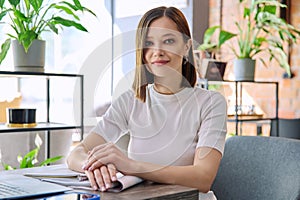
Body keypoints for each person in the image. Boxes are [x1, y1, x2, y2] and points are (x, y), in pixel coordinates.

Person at [67, 6, 227, 199]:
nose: (157, 51)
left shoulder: (210, 102)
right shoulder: (130, 101)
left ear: (186, 47)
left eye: (168, 41)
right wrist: (95, 166)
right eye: (149, 43)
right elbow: (76, 154)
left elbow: (202, 177)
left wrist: (131, 165)